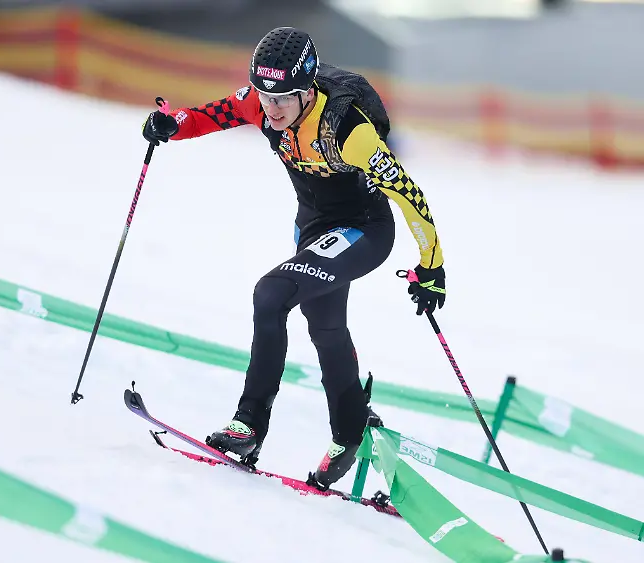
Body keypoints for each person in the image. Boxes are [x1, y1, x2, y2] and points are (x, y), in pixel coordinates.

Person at [141, 27, 446, 489]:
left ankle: (248, 427)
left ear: (309, 91)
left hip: (364, 229)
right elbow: (209, 115)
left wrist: (432, 265)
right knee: (322, 323)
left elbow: (408, 196)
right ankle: (351, 430)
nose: (271, 107)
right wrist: (172, 125)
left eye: (284, 97)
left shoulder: (348, 130)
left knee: (272, 293)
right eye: (265, 95)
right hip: (316, 227)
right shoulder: (261, 103)